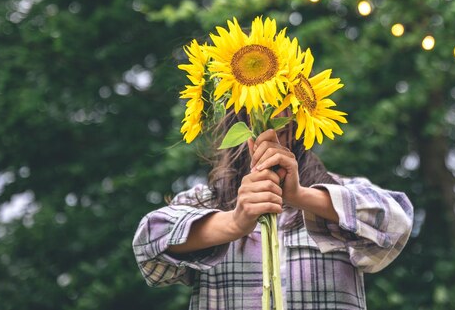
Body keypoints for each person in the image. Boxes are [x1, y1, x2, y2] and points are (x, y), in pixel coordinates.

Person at [132, 109, 414, 310]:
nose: (271, 135)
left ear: (299, 125)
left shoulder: (340, 193)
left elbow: (396, 223)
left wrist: (300, 196)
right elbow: (148, 244)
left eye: (282, 119)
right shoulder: (206, 201)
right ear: (240, 127)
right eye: (259, 118)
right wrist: (234, 223)